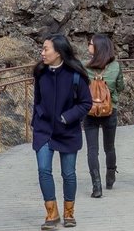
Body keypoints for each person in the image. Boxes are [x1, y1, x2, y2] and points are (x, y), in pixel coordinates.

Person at [32, 34, 92, 230]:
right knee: (43, 170)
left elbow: (86, 103)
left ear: (58, 52)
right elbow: (37, 100)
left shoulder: (76, 75)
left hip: (68, 130)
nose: (42, 53)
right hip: (44, 129)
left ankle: (69, 212)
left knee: (69, 174)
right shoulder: (40, 72)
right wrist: (37, 118)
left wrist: (68, 117)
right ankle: (51, 213)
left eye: (45, 49)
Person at [83, 34, 124, 198]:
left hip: (90, 111)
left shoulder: (84, 67)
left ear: (97, 48)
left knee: (92, 150)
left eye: (90, 44)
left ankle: (96, 186)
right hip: (109, 110)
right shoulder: (115, 67)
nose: (88, 46)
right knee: (110, 147)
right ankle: (110, 176)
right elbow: (120, 87)